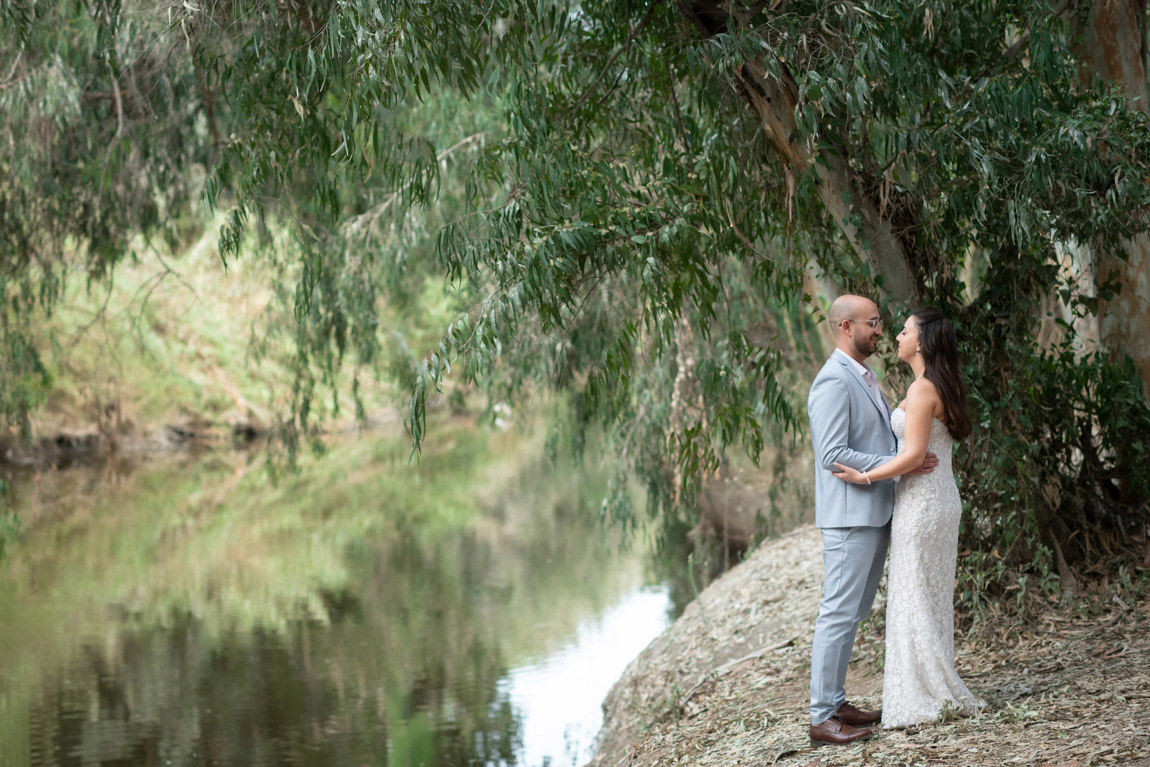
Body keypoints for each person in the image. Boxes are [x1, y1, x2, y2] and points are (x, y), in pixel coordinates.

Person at [832, 306, 985, 728]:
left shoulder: (921, 390)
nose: (895, 336)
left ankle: (921, 694)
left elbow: (915, 456)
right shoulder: (939, 384)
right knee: (927, 597)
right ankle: (932, 685)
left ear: (922, 342)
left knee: (915, 596)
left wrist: (865, 475)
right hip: (939, 500)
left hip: (921, 506)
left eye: (903, 331)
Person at [805, 295, 938, 747]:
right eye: (873, 322)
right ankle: (821, 718)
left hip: (874, 512)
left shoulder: (863, 375)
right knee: (838, 612)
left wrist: (899, 461)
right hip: (849, 518)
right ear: (846, 326)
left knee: (853, 612)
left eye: (881, 323)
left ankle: (835, 702)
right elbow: (832, 454)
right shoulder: (833, 380)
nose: (880, 330)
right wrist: (900, 463)